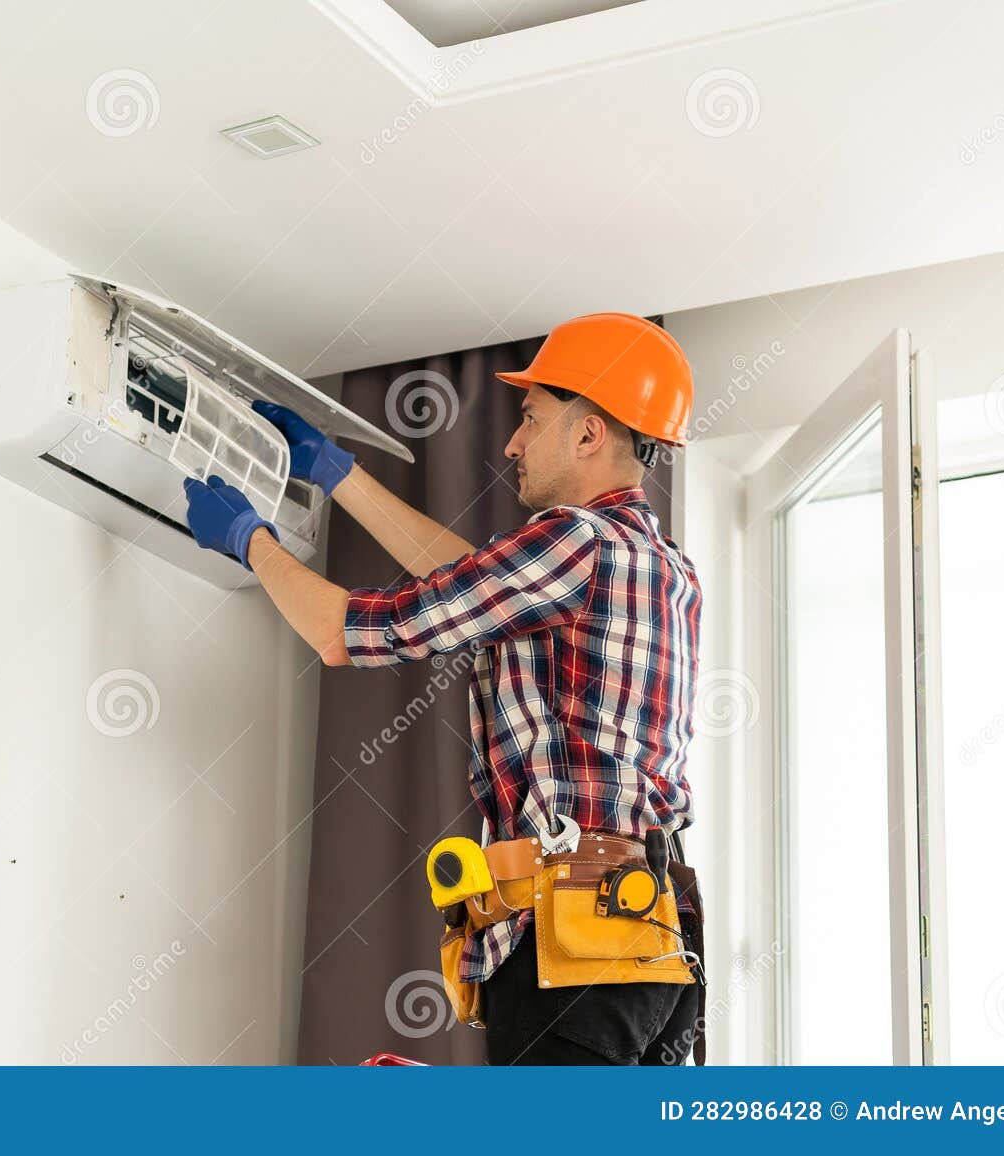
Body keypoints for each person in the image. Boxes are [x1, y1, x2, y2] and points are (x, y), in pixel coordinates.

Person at [182, 313, 704, 1065]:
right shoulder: (661, 564)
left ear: (589, 434)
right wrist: (338, 475)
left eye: (530, 419)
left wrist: (249, 541)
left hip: (576, 949)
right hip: (648, 947)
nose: (512, 444)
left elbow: (346, 631)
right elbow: (476, 581)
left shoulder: (575, 542)